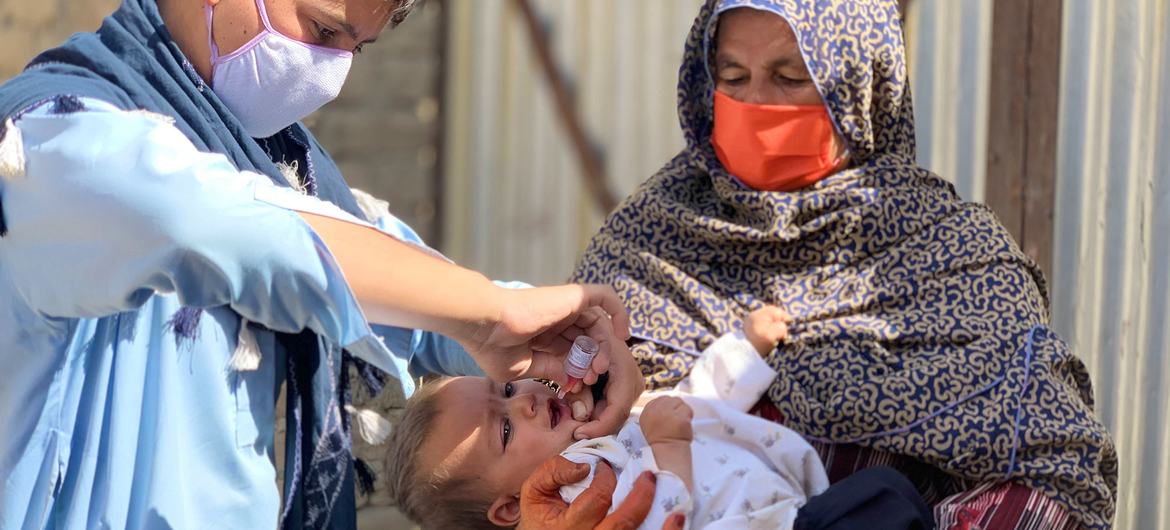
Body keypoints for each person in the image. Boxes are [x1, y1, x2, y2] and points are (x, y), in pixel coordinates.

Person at [0, 0, 650, 528]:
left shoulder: (281, 169)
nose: (331, 72)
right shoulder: (57, 138)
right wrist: (486, 313)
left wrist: (559, 346)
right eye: (321, 31)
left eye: (353, 48)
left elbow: (408, 293)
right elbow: (219, 228)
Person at [571, 1, 1118, 529]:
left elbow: (1052, 468)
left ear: (861, 92)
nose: (758, 102)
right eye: (733, 78)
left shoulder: (956, 253)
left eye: (790, 77)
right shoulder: (649, 236)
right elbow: (540, 403)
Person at [384, 306, 936, 529]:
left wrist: (745, 349)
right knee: (881, 503)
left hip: (795, 504)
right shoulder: (576, 502)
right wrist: (668, 449)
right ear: (510, 510)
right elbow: (657, 515)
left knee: (890, 493)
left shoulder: (597, 429)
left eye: (504, 389)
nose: (523, 401)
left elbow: (692, 402)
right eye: (504, 429)